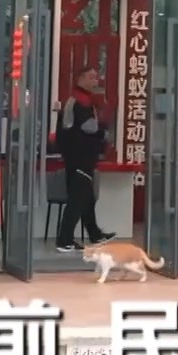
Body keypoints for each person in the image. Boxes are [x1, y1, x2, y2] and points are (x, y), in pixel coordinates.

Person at [54, 68, 115, 252]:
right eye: (91, 78)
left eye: (97, 78)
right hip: (79, 157)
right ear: (80, 79)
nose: (96, 82)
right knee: (78, 198)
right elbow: (89, 127)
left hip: (78, 156)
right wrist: (104, 133)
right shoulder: (80, 102)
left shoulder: (79, 100)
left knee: (87, 197)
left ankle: (95, 234)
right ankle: (64, 240)